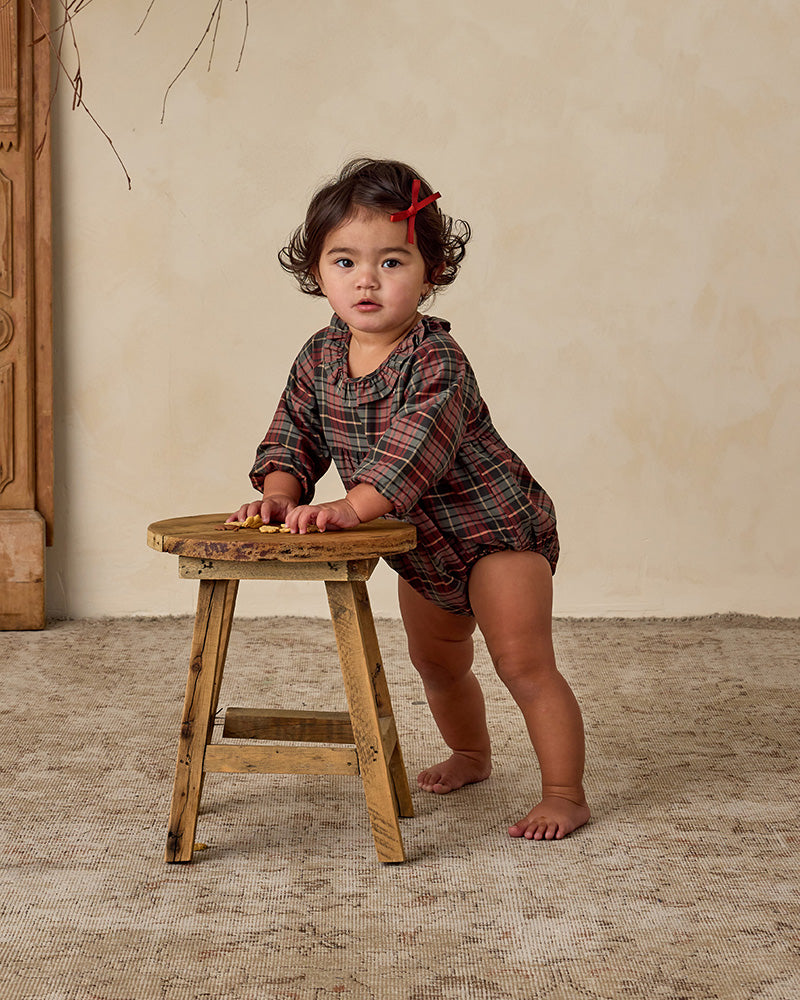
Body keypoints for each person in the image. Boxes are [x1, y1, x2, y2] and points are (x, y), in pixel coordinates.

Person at [229, 158, 590, 841]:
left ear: (431, 273)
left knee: (523, 663)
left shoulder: (436, 361)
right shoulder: (319, 358)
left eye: (392, 262)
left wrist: (347, 509)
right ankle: (472, 754)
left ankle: (565, 793)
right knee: (438, 663)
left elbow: (413, 450)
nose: (366, 280)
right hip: (419, 546)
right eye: (344, 262)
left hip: (495, 533)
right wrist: (278, 493)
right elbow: (293, 433)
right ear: (317, 273)